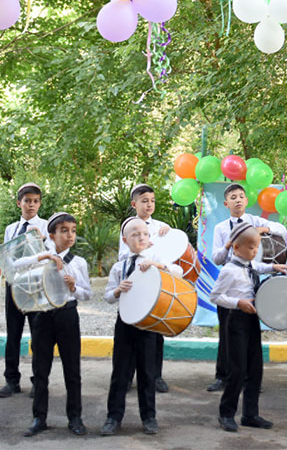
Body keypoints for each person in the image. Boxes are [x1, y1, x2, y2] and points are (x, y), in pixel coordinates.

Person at [100, 218, 183, 436]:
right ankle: (113, 417)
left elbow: (178, 272)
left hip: (148, 324)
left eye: (145, 234)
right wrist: (118, 290)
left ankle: (149, 417)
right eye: (135, 234)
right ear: (125, 240)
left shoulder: (155, 258)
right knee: (120, 372)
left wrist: (157, 265)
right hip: (125, 323)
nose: (141, 237)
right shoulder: (120, 266)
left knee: (147, 373)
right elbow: (108, 296)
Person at [210, 222, 287, 432]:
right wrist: (238, 303)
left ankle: (250, 414)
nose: (255, 251)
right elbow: (215, 296)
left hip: (252, 320)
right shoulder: (229, 270)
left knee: (255, 369)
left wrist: (274, 267)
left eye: (257, 247)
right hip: (236, 320)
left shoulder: (250, 264)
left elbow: (259, 267)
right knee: (237, 370)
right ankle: (226, 413)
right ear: (236, 248)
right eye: (251, 247)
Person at [207, 183, 287, 393]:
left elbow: (283, 230)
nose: (238, 200)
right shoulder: (221, 228)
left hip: (251, 279)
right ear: (226, 203)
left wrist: (263, 229)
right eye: (233, 197)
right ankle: (222, 376)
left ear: (246, 200)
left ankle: (248, 379)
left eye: (241, 196)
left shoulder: (254, 220)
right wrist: (228, 244)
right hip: (230, 283)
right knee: (226, 333)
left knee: (250, 335)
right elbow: (216, 259)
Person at [17, 212, 91, 437]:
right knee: (41, 369)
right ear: (52, 235)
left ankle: (75, 418)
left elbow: (86, 294)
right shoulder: (42, 256)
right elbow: (15, 266)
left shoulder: (78, 263)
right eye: (64, 231)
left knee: (72, 370)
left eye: (73, 231)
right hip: (43, 316)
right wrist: (41, 258)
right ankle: (39, 417)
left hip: (67, 315)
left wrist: (74, 287)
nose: (70, 235)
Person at [120, 184, 174, 394]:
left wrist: (166, 237)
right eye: (144, 201)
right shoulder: (128, 227)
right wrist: (143, 248)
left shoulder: (162, 227)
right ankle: (127, 376)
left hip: (156, 285)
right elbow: (122, 257)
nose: (149, 204)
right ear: (134, 204)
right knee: (132, 330)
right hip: (136, 284)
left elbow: (169, 258)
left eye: (152, 200)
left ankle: (155, 375)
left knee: (155, 332)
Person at [0, 183, 49, 399]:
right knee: (13, 333)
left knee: (38, 335)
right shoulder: (11, 229)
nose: (31, 205)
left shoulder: (45, 226)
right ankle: (11, 380)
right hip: (14, 285)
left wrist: (41, 239)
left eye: (36, 201)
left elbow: (51, 254)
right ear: (19, 203)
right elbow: (7, 255)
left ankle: (38, 381)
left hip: (35, 285)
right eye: (27, 201)